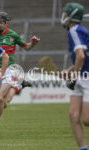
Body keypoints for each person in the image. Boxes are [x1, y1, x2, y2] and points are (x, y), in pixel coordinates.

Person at [0, 12, 40, 136]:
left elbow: (26, 47)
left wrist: (33, 44)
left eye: (0, 22)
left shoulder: (13, 35)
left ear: (6, 23)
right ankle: (18, 87)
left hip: (11, 69)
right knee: (3, 103)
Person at [61, 3, 89, 150]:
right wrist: (70, 69)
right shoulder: (80, 31)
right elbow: (85, 56)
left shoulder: (74, 30)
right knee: (73, 116)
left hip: (86, 78)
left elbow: (81, 56)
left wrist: (74, 76)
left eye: (66, 14)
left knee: (87, 120)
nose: (64, 17)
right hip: (82, 77)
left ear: (71, 16)